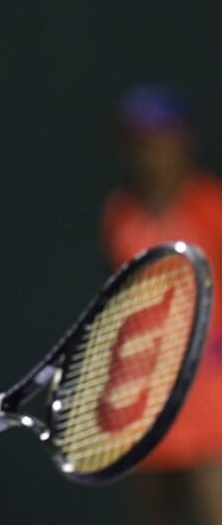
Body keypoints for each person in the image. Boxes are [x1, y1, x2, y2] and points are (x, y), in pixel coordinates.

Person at [101, 84, 222, 525]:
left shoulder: (212, 206)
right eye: (138, 143)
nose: (149, 155)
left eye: (159, 141)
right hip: (139, 400)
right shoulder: (120, 213)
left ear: (183, 141)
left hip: (210, 399)